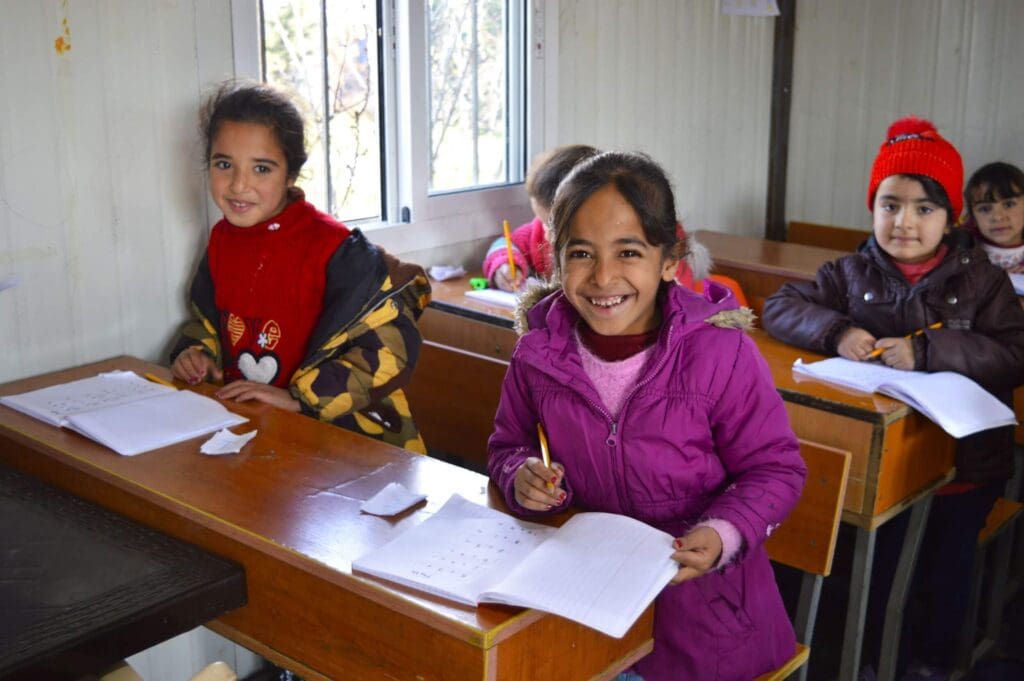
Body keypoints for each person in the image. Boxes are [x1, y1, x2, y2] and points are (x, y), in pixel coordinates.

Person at [487, 151, 807, 681]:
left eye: (628, 252)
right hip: (589, 610)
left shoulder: (720, 355)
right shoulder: (538, 353)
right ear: (555, 260)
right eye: (581, 253)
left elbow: (777, 469)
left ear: (667, 259)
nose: (603, 276)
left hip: (705, 623)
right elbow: (507, 444)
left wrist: (724, 533)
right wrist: (521, 475)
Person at [762, 117, 1024, 679]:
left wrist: (930, 349)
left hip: (964, 465)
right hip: (884, 464)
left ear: (952, 216)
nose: (903, 222)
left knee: (942, 568)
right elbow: (782, 305)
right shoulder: (851, 270)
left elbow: (1014, 353)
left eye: (923, 209)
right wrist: (836, 332)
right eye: (890, 205)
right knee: (877, 563)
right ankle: (872, 651)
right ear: (872, 207)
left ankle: (934, 662)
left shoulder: (983, 281)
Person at [170, 81, 431, 453]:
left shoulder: (335, 249)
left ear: (291, 174)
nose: (239, 184)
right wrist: (197, 354)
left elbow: (392, 346)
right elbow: (209, 319)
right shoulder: (222, 240)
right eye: (224, 164)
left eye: (261, 168)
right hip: (254, 434)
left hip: (350, 445)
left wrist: (300, 400)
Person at [482, 144, 749, 306]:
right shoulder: (540, 232)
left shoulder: (655, 241)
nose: (548, 234)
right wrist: (506, 266)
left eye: (553, 223)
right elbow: (508, 243)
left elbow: (675, 302)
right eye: (541, 221)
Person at [963, 161, 1024, 271]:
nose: (997, 216)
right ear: (973, 217)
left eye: (1009, 204)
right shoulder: (960, 251)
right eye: (984, 209)